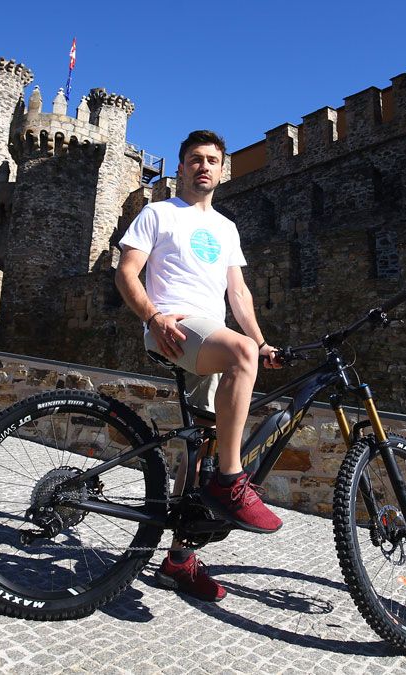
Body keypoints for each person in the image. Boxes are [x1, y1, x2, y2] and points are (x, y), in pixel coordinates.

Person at [115, 130, 282, 603]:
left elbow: (240, 295)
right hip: (176, 326)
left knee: (199, 447)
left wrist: (262, 341)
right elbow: (126, 272)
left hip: (213, 334)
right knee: (241, 354)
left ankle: (179, 560)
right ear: (181, 167)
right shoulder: (158, 213)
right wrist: (152, 315)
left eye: (211, 160)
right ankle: (233, 482)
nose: (203, 167)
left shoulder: (226, 228)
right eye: (194, 160)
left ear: (222, 170)